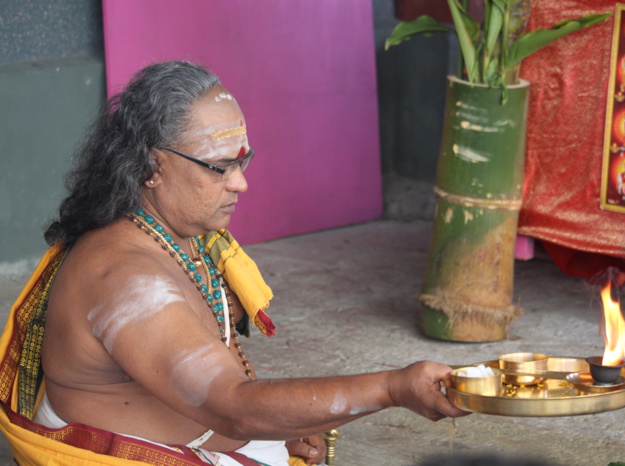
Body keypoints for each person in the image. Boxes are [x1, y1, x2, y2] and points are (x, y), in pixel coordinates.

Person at [0, 61, 467, 466]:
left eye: (243, 162)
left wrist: (279, 424)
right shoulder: (125, 280)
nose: (240, 184)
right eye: (219, 167)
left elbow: (225, 386)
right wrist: (392, 388)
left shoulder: (187, 238)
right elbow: (234, 406)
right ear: (150, 167)